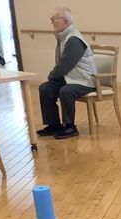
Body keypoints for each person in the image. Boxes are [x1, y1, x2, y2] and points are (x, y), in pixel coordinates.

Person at [36, 7, 97, 140]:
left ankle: (70, 127)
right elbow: (63, 67)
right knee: (45, 88)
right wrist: (52, 79)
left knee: (66, 91)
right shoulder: (64, 36)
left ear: (65, 21)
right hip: (71, 78)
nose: (51, 22)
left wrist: (51, 76)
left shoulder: (74, 39)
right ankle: (54, 125)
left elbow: (64, 66)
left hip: (85, 80)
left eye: (54, 19)